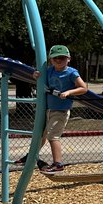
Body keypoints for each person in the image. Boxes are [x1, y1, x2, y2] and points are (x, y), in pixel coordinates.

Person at [31, 45, 87, 173]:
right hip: (48, 109)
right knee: (41, 135)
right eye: (55, 58)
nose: (58, 60)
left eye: (62, 58)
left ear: (68, 59)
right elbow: (39, 77)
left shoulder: (71, 73)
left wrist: (69, 92)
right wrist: (35, 75)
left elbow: (83, 88)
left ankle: (58, 164)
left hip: (61, 110)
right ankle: (31, 156)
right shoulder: (49, 70)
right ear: (50, 60)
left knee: (53, 136)